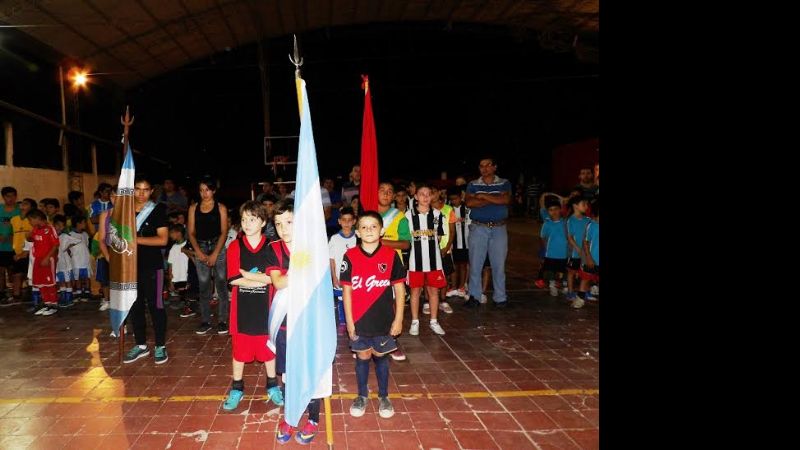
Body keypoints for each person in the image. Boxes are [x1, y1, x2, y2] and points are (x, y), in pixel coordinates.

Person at [341, 211, 406, 419]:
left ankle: (384, 396)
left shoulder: (390, 256)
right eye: (364, 227)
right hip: (359, 321)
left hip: (384, 320)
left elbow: (400, 290)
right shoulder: (349, 256)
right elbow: (347, 291)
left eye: (373, 226)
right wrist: (350, 322)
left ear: (382, 230)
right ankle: (361, 395)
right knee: (362, 356)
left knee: (381, 357)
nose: (369, 230)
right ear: (357, 232)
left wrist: (398, 319)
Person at [222, 201, 283, 411]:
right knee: (239, 351)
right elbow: (232, 279)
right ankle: (237, 387)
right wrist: (261, 278)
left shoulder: (272, 246)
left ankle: (273, 385)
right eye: (244, 219)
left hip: (267, 309)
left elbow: (276, 278)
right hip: (242, 311)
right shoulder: (234, 246)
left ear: (263, 222)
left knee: (269, 349)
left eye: (252, 219)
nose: (247, 223)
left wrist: (246, 274)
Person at [120, 175, 170, 364]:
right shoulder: (124, 211)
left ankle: (160, 345)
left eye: (145, 189)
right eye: (137, 189)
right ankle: (140, 345)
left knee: (156, 306)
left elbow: (162, 239)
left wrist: (136, 240)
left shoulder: (157, 211)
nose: (141, 193)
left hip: (153, 267)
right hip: (130, 266)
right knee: (135, 306)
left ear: (151, 192)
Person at [464, 157, 512, 308]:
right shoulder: (472, 184)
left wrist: (483, 196)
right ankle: (474, 296)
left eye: (488, 165)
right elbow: (469, 202)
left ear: (494, 167)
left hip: (499, 228)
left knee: (499, 265)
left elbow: (505, 200)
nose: (484, 168)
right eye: (481, 166)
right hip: (478, 227)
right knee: (475, 264)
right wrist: (494, 198)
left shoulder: (504, 183)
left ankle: (500, 298)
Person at [188, 177, 230, 335]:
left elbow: (224, 232)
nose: (204, 193)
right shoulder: (193, 208)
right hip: (200, 246)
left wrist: (215, 253)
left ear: (213, 190)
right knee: (204, 285)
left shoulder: (221, 208)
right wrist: (198, 251)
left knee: (221, 284)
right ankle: (205, 321)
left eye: (207, 189)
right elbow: (191, 233)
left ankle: (222, 320)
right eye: (201, 190)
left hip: (217, 246)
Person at [405, 183, 447, 336]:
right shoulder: (408, 215)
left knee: (433, 291)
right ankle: (415, 321)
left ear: (432, 196)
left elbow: (440, 237)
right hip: (415, 262)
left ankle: (434, 321)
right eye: (421, 194)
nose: (425, 197)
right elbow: (405, 238)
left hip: (434, 261)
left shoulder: (438, 215)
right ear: (415, 197)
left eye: (428, 194)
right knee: (415, 291)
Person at [28, 209, 59, 316]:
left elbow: (55, 245)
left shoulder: (50, 229)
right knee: (40, 283)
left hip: (48, 259)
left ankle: (54, 305)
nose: (29, 222)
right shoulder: (35, 229)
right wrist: (30, 233)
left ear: (37, 218)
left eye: (31, 220)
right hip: (38, 259)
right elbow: (30, 239)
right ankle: (47, 304)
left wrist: (47, 258)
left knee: (50, 283)